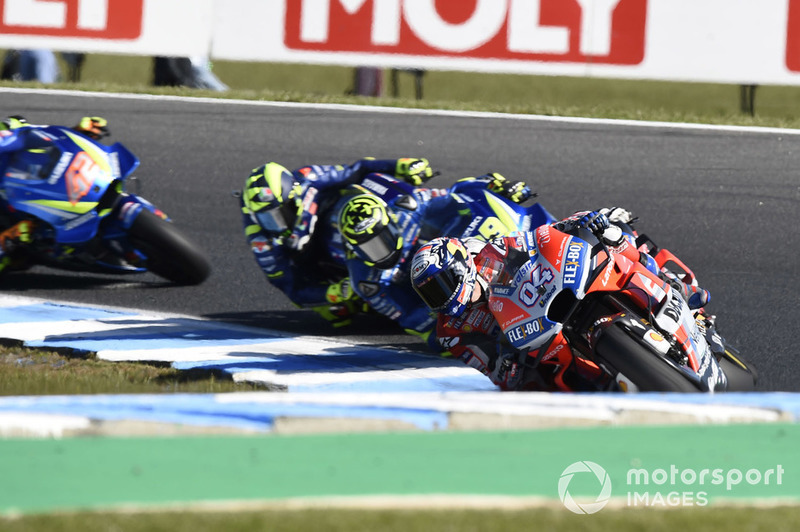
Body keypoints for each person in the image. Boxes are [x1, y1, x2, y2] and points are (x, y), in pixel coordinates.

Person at [409, 208, 711, 391]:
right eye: (430, 293)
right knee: (534, 389)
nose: (440, 297)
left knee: (614, 238)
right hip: (531, 350)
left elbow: (534, 240)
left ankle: (672, 285)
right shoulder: (450, 330)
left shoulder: (489, 253)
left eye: (441, 285)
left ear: (461, 266)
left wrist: (576, 225)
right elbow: (486, 367)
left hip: (548, 300)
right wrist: (503, 367)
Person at [335, 172, 533, 348]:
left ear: (391, 224)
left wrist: (492, 186)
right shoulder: (366, 280)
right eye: (369, 247)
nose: (380, 251)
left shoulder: (407, 209)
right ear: (354, 247)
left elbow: (455, 192)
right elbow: (409, 317)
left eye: (382, 240)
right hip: (430, 294)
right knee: (451, 338)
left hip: (441, 253)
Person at [240, 157, 435, 327]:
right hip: (316, 259)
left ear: (293, 197)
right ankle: (392, 296)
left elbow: (358, 169)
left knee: (371, 180)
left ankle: (424, 206)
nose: (277, 225)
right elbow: (289, 287)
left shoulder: (308, 177)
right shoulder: (261, 239)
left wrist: (400, 165)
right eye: (267, 219)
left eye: (279, 214)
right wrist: (331, 292)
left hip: (342, 211)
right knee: (338, 311)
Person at [0, 115, 110, 275]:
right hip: (28, 231)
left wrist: (79, 132)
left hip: (62, 183)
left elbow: (45, 135)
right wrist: (8, 238)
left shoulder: (9, 130)